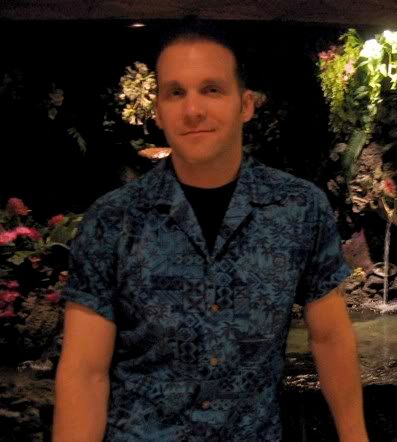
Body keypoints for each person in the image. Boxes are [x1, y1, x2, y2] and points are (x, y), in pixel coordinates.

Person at [53, 20, 368, 442]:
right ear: (158, 111)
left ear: (245, 105)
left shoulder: (299, 208)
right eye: (176, 93)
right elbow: (84, 372)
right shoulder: (113, 220)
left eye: (212, 89)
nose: (193, 110)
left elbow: (330, 339)